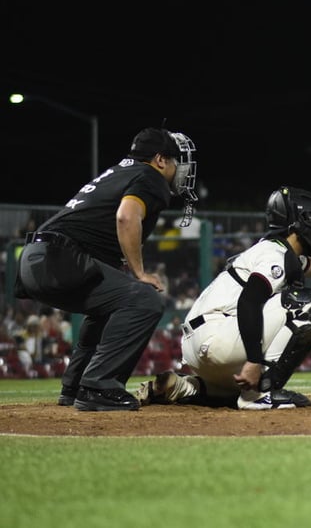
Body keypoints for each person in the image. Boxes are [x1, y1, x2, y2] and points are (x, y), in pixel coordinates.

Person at [134, 186, 311, 409]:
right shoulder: (274, 256)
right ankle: (260, 394)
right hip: (217, 338)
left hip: (201, 346)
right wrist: (253, 361)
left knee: (228, 398)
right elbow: (249, 301)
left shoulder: (277, 252)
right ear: (296, 224)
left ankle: (185, 386)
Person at [15, 127, 198, 411]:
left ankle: (75, 386)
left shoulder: (119, 172)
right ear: (160, 160)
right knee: (145, 298)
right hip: (59, 259)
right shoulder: (150, 176)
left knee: (111, 305)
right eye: (176, 161)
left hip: (36, 259)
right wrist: (140, 273)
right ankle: (99, 386)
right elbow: (126, 217)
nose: (179, 169)